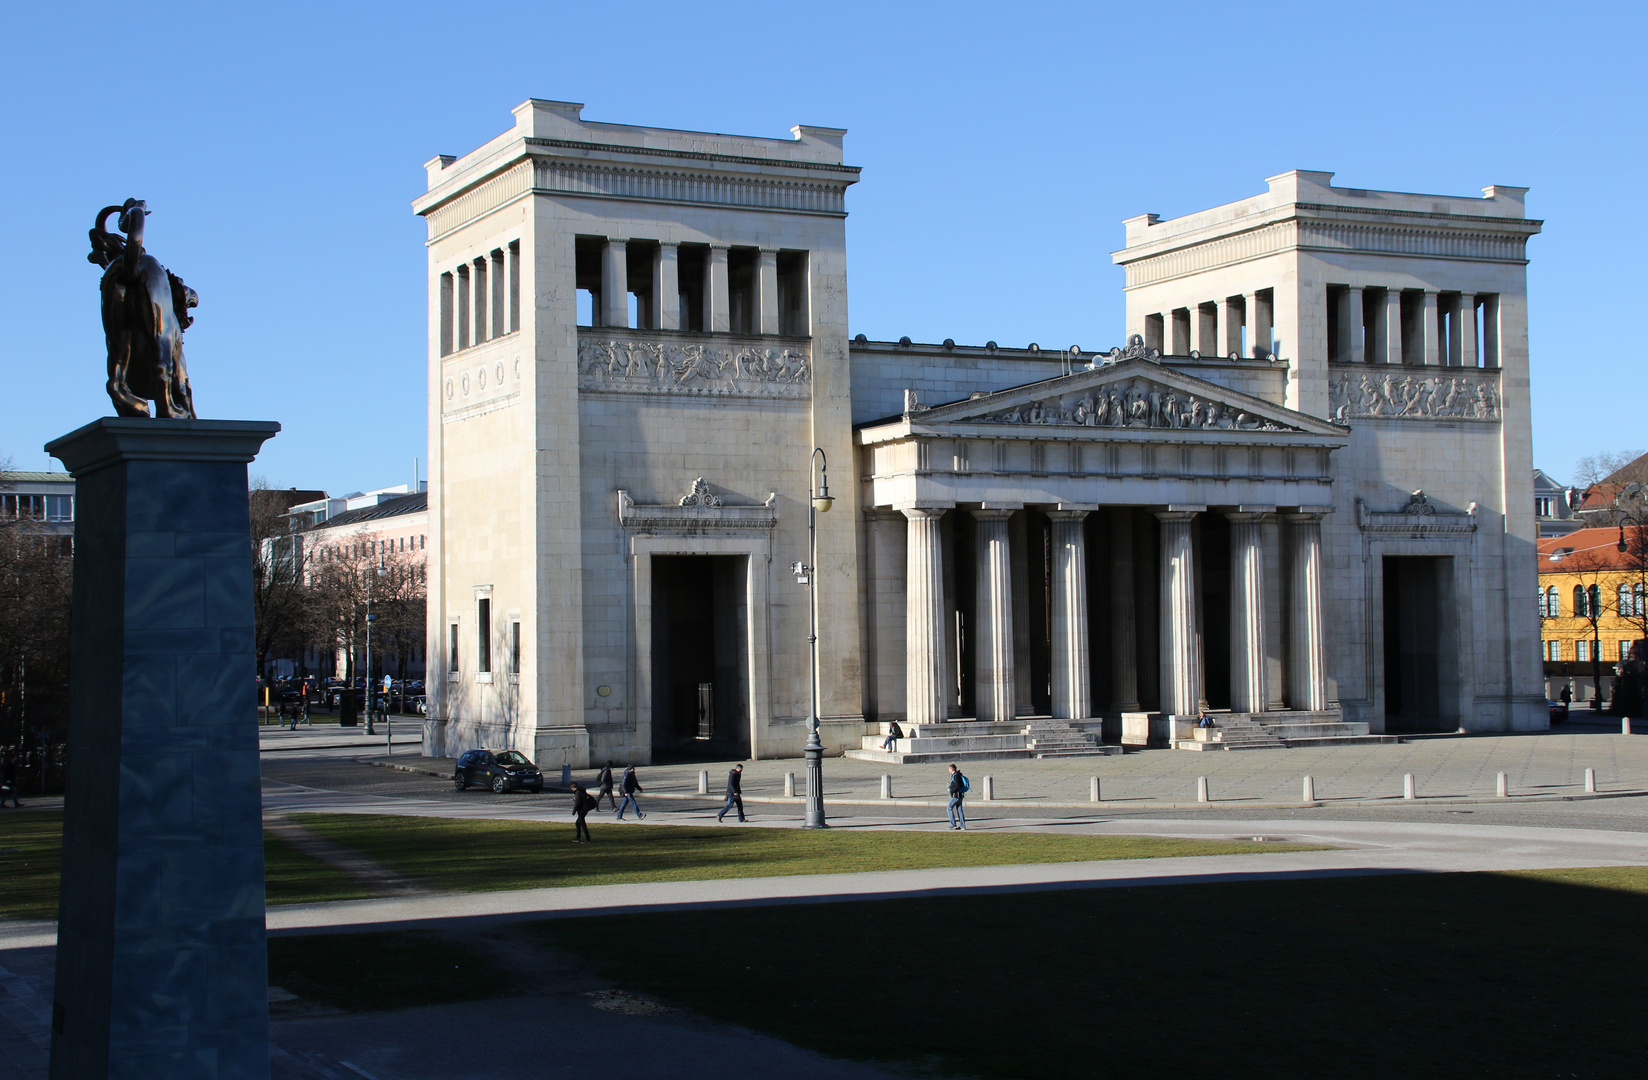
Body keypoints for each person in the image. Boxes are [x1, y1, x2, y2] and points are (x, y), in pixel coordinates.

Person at [946, 763, 968, 830]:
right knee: (959, 810)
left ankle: (953, 824)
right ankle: (962, 826)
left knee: (949, 808)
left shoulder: (955, 776)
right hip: (960, 795)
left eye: (949, 769)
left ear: (952, 769)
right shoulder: (958, 775)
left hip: (956, 796)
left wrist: (951, 790)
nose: (949, 771)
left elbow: (958, 786)